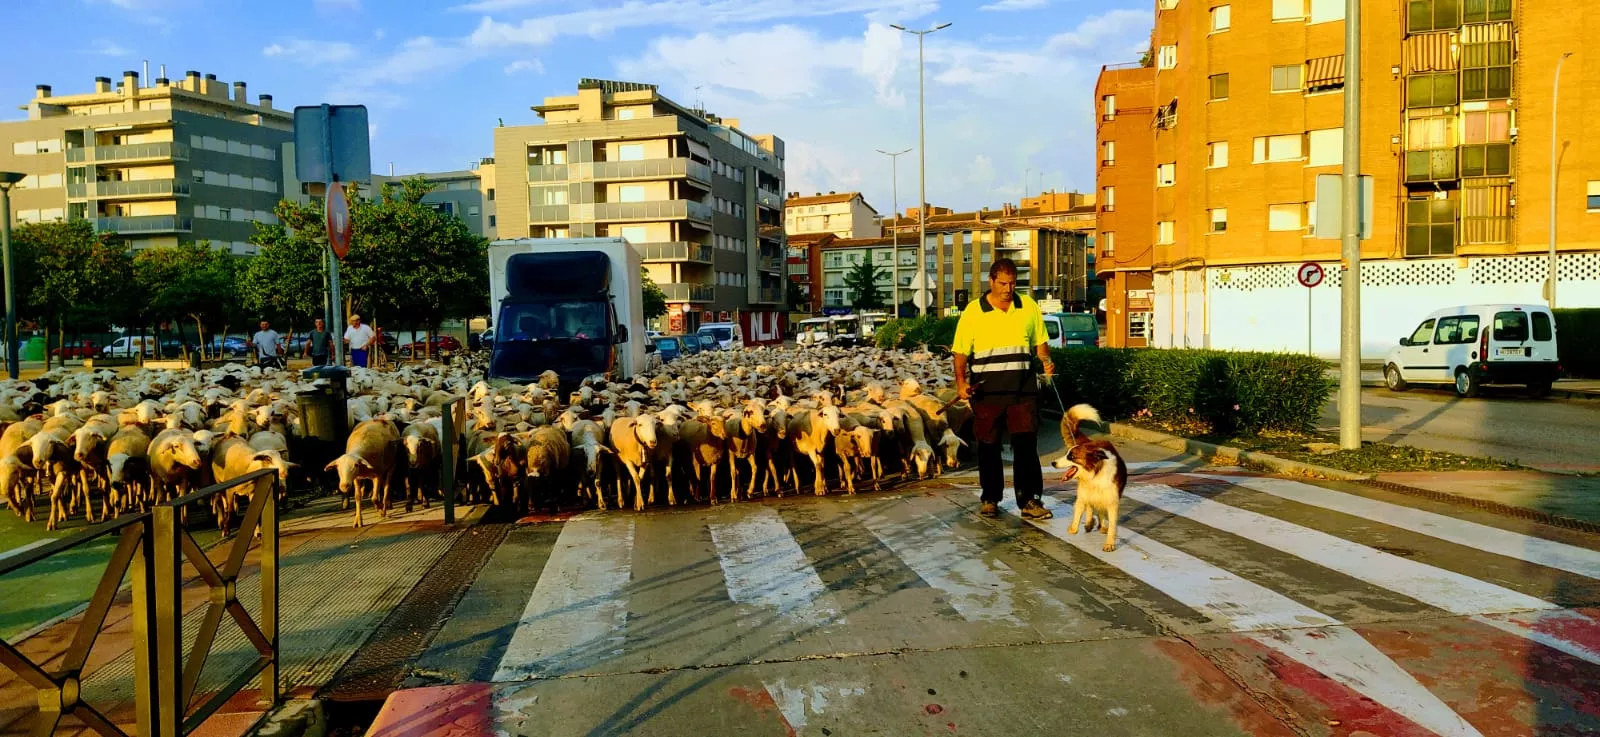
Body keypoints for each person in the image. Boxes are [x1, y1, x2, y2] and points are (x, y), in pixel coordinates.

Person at [951, 258, 1056, 520]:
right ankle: (990, 498)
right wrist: (961, 383)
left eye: (1012, 284)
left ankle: (1030, 500)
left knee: (1026, 446)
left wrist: (1045, 361)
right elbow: (960, 353)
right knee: (988, 446)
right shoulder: (974, 311)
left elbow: (1040, 344)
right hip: (987, 393)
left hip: (1023, 391)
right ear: (991, 281)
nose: (1008, 289)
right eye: (1003, 284)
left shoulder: (1028, 306)